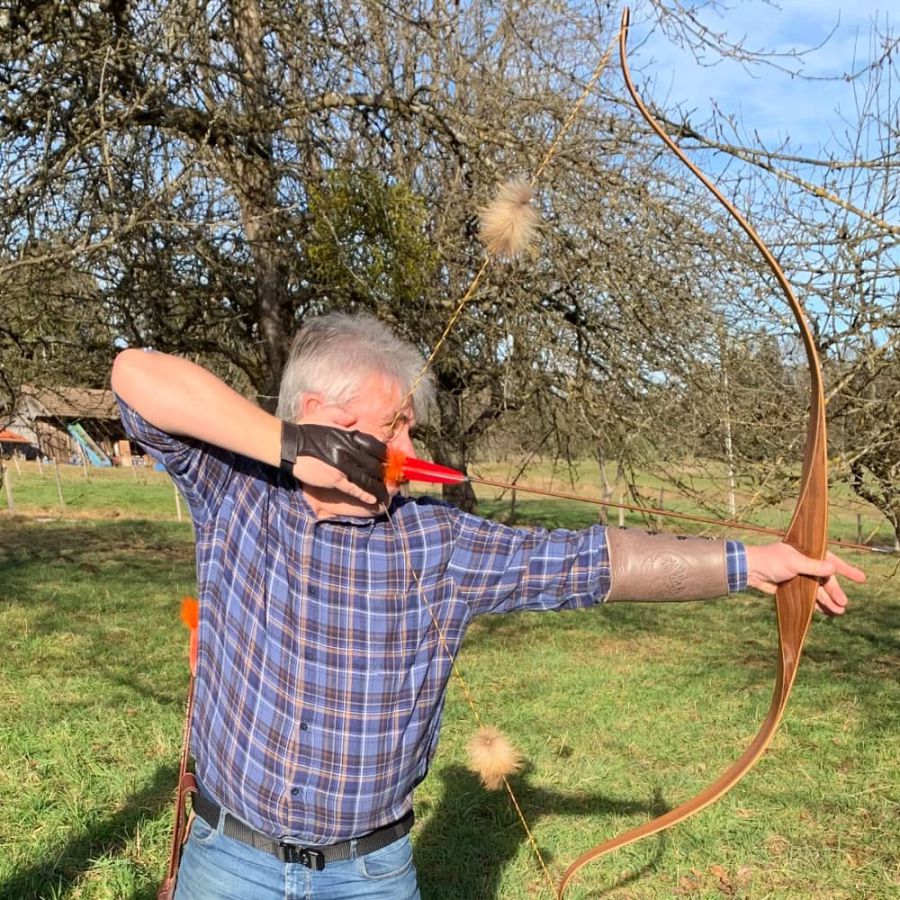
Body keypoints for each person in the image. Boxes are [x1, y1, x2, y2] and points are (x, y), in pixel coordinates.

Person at [111, 312, 864, 900]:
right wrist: (283, 444)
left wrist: (753, 563)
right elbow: (133, 374)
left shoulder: (437, 539)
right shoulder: (236, 492)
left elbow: (587, 563)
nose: (409, 441)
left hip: (366, 874)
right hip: (230, 860)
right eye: (392, 424)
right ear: (323, 418)